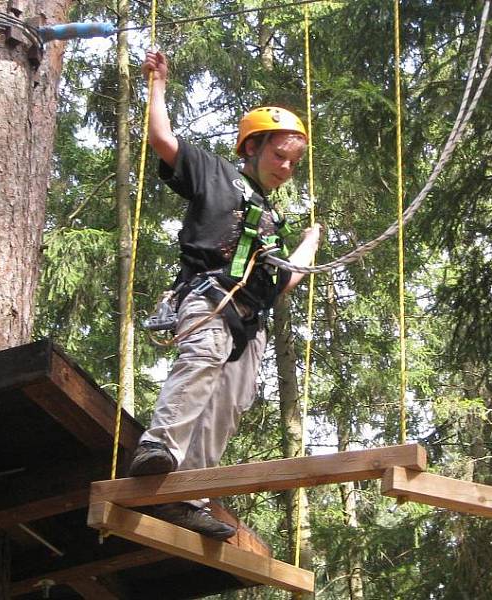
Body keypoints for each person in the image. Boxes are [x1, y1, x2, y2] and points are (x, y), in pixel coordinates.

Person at [128, 49, 322, 540]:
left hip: (250, 320)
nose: (286, 167)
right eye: (279, 155)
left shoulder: (273, 224)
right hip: (210, 295)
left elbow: (282, 283)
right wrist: (158, 84)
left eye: (293, 162)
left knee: (229, 403)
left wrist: (308, 245)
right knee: (201, 360)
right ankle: (159, 450)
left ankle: (187, 495)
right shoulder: (215, 173)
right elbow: (161, 139)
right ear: (251, 148)